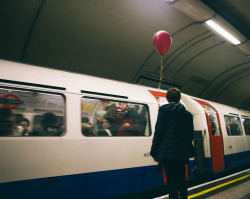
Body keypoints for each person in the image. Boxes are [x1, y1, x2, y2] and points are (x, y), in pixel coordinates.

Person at [150, 88, 194, 199]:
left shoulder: (163, 112)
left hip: (167, 154)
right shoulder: (187, 115)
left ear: (167, 98)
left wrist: (154, 152)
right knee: (182, 181)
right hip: (181, 153)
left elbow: (158, 133)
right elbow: (190, 135)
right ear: (179, 98)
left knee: (171, 184)